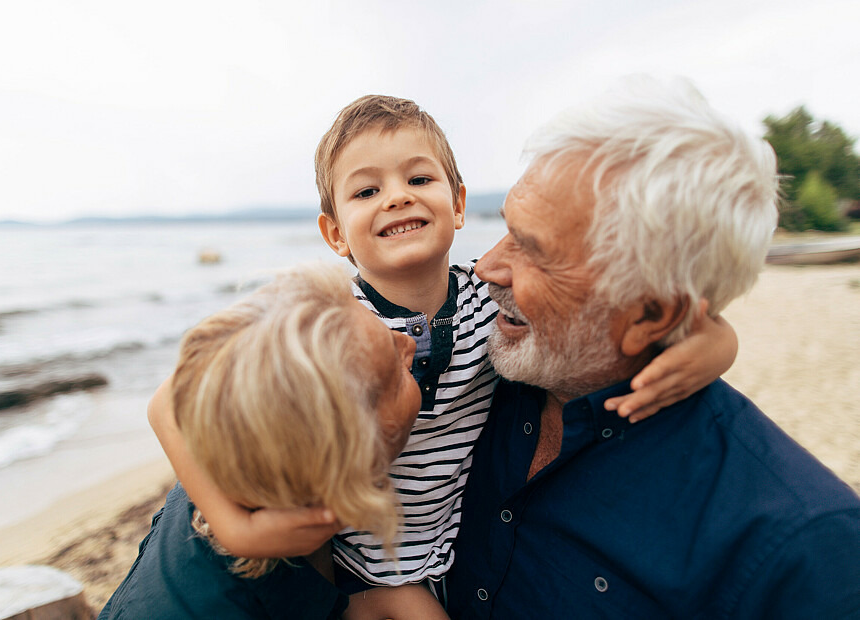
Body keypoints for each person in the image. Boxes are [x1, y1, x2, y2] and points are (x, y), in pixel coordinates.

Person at [149, 94, 741, 618]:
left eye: (419, 179)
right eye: (366, 190)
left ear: (458, 204)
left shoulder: (491, 297)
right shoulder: (322, 316)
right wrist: (235, 526)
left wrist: (717, 344)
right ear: (335, 234)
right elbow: (169, 402)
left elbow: (626, 311)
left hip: (451, 553)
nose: (397, 197)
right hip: (356, 564)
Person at [445, 77, 860, 618]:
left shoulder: (800, 551)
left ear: (651, 315)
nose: (486, 268)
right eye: (507, 229)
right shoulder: (463, 374)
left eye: (533, 250)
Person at [99, 265, 431, 618]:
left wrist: (234, 529)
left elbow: (169, 396)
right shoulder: (237, 604)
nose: (408, 342)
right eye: (396, 374)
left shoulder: (238, 444)